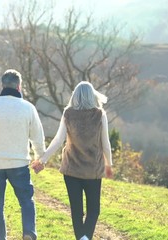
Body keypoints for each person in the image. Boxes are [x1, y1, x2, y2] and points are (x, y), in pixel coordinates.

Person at [31, 81, 113, 240]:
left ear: (75, 96)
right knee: (93, 209)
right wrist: (109, 164)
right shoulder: (99, 114)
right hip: (93, 171)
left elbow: (58, 140)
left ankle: (81, 238)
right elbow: (106, 143)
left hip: (71, 170)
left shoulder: (68, 113)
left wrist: (43, 159)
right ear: (92, 95)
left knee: (76, 209)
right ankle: (85, 237)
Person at [0, 69, 46, 240]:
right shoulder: (28, 108)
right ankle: (28, 232)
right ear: (19, 86)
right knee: (26, 201)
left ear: (3, 85)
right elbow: (37, 138)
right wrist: (40, 159)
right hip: (19, 164)